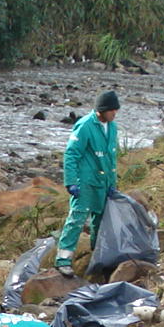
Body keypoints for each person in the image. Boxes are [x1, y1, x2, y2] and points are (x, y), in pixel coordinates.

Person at [55, 89, 120, 271]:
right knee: (77, 218)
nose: (115, 113)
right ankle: (63, 260)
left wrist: (112, 184)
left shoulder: (113, 127)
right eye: (112, 110)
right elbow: (71, 154)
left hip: (103, 182)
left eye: (116, 110)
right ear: (101, 110)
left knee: (101, 220)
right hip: (85, 182)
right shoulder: (85, 126)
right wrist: (71, 181)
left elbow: (111, 157)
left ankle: (97, 255)